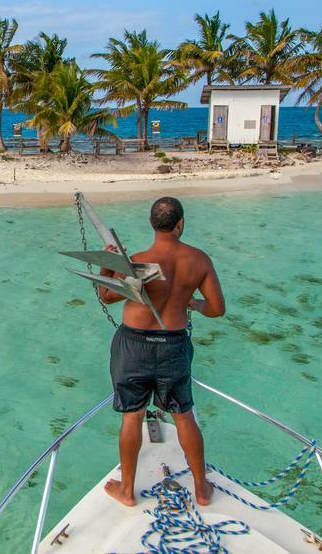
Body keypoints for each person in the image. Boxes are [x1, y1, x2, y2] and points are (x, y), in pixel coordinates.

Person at [98, 196, 225, 508]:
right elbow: (217, 309)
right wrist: (191, 302)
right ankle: (200, 488)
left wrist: (107, 261)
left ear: (152, 224)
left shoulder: (139, 260)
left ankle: (127, 490)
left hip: (134, 344)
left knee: (132, 415)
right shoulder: (200, 260)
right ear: (180, 224)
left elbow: (106, 296)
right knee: (183, 416)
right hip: (174, 344)